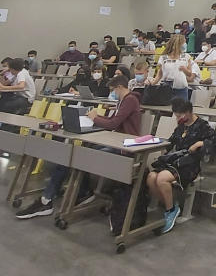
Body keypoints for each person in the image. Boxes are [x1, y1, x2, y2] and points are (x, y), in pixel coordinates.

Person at [16, 76, 138, 220]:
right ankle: (76, 193)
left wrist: (95, 118)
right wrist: (96, 116)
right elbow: (112, 121)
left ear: (119, 87)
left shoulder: (130, 100)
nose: (113, 93)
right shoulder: (123, 100)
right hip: (113, 141)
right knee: (71, 154)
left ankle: (48, 200)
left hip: (124, 146)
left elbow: (113, 124)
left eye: (113, 90)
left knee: (75, 156)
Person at [146, 98, 216, 234]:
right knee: (151, 177)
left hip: (190, 165)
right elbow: (171, 142)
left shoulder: (202, 126)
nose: (178, 118)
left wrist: (199, 144)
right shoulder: (181, 125)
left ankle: (170, 211)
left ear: (188, 112)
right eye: (176, 115)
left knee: (161, 178)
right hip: (176, 161)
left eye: (179, 115)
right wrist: (156, 144)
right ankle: (170, 206)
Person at [150, 35, 199, 101]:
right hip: (166, 87)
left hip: (181, 87)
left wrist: (185, 70)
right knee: (166, 109)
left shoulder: (186, 57)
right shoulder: (163, 58)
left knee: (181, 109)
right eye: (184, 43)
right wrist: (152, 83)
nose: (185, 45)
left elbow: (190, 74)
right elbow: (159, 74)